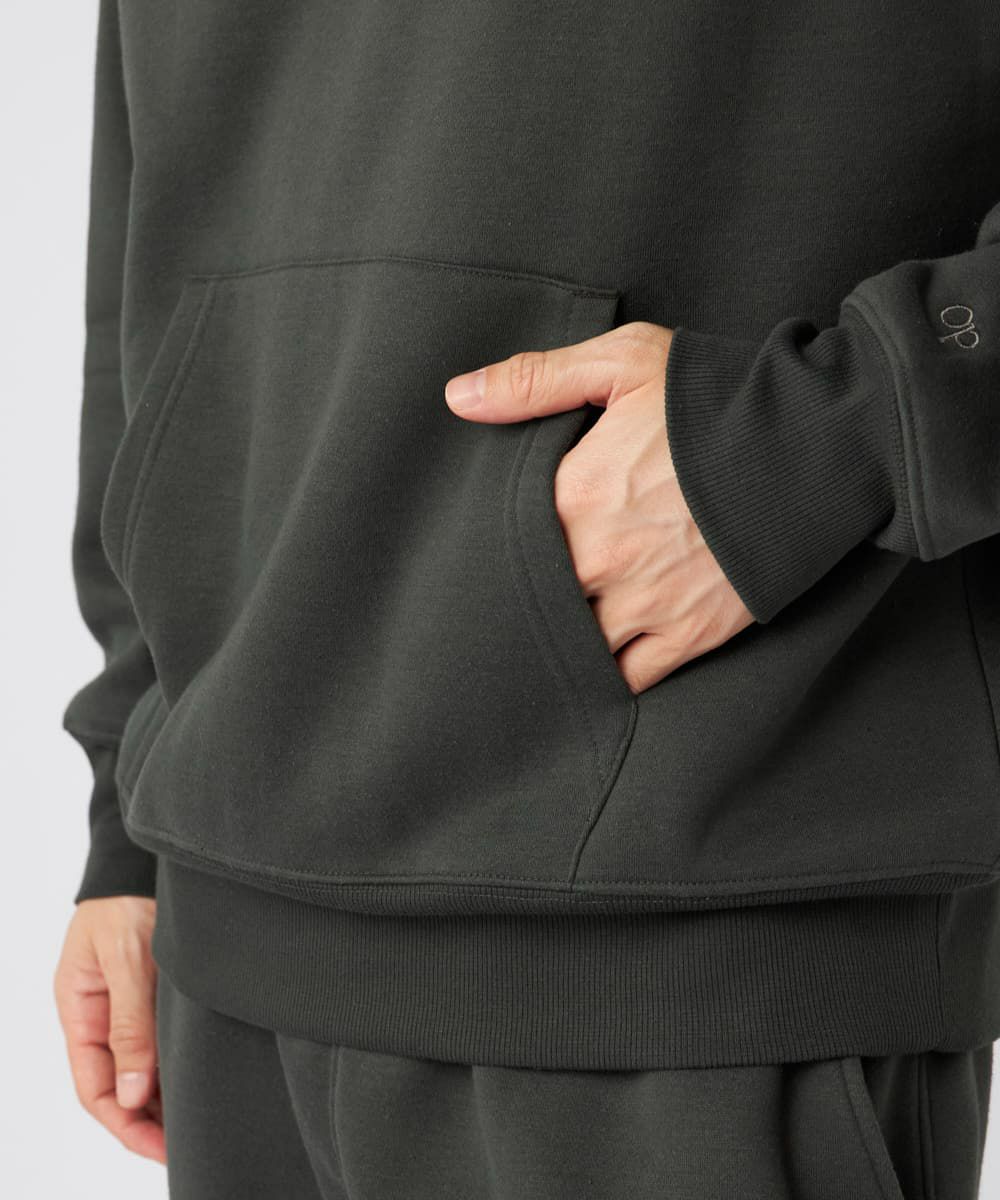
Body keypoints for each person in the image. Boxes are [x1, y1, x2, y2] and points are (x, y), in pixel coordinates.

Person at [53, 2, 1000, 1196]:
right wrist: (125, 821)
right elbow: (152, 219)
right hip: (225, 946)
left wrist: (839, 433)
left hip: (697, 948)